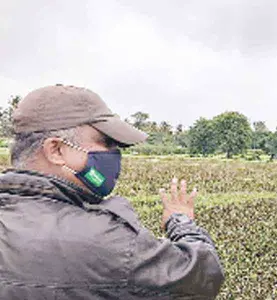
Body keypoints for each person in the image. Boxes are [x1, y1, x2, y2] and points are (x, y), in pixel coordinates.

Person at [0, 84, 224, 299]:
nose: (114, 155)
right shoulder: (109, 242)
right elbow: (203, 275)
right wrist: (180, 221)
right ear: (56, 150)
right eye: (106, 143)